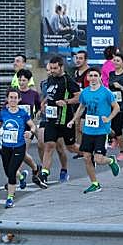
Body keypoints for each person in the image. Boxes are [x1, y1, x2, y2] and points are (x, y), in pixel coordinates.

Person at [67, 68, 120, 193]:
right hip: (88, 130)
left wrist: (108, 119)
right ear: (87, 78)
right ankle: (95, 184)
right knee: (86, 157)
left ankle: (111, 160)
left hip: (101, 130)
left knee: (98, 159)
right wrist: (73, 120)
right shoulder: (85, 92)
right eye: (90, 75)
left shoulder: (106, 92)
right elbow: (81, 107)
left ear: (100, 77)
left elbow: (116, 108)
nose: (93, 78)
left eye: (96, 75)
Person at [0, 89, 38, 208]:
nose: (13, 100)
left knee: (11, 173)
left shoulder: (23, 113)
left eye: (15, 98)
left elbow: (33, 126)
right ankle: (21, 177)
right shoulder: (3, 113)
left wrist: (30, 132)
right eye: (11, 97)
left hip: (19, 147)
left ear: (19, 99)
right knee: (8, 172)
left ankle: (10, 198)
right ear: (7, 99)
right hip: (6, 147)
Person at [38, 56, 81, 186]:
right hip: (51, 119)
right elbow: (51, 94)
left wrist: (66, 102)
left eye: (55, 68)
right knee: (49, 146)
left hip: (65, 119)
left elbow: (79, 97)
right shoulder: (51, 78)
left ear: (61, 67)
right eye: (51, 68)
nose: (52, 70)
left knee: (71, 147)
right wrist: (44, 102)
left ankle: (90, 154)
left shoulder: (68, 80)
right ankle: (44, 174)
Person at [108, 53, 123, 160]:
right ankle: (115, 139)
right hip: (112, 105)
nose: (115, 62)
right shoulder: (111, 74)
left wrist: (121, 87)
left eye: (118, 61)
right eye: (114, 60)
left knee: (117, 128)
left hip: (122, 106)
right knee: (110, 127)